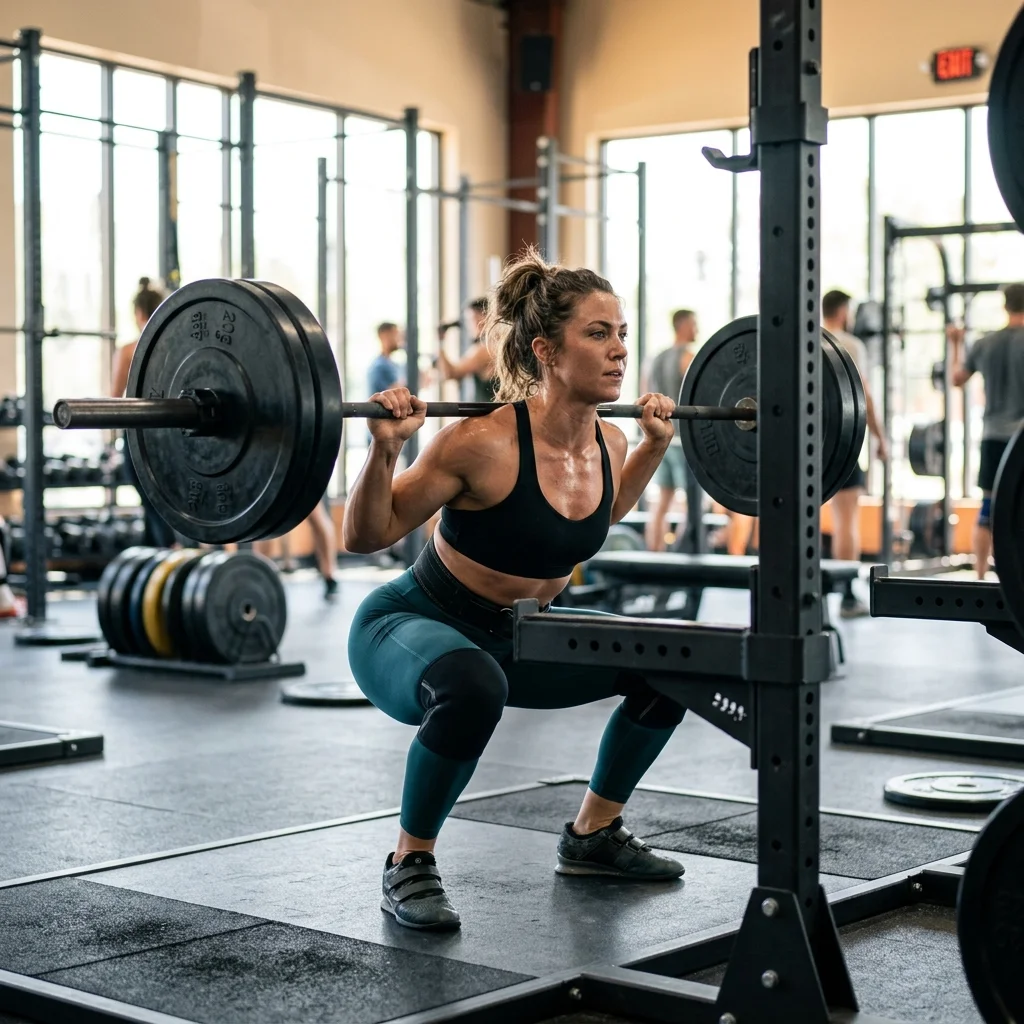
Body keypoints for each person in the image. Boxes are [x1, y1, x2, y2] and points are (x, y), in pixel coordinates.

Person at [344, 250, 685, 932]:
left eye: (622, 332)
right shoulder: (480, 444)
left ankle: (593, 835)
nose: (620, 349)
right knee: (472, 687)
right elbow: (367, 533)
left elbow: (601, 512)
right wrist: (384, 450)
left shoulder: (611, 443)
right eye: (598, 333)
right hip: (413, 626)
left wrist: (651, 447)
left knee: (673, 663)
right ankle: (408, 861)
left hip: (520, 634)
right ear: (546, 350)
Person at [949, 283, 1024, 579]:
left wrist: (955, 343)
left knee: (989, 510)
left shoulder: (984, 344)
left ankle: (981, 577)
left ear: (1005, 306)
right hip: (1020, 441)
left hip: (993, 437)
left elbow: (956, 379)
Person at [821, 289, 888, 617]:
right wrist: (880, 437)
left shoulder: (804, 340)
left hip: (806, 443)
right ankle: (847, 596)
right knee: (845, 520)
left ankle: (811, 595)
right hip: (841, 442)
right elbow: (865, 395)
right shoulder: (850, 344)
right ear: (844, 311)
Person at [111, 278, 179, 550]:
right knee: (157, 502)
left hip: (140, 438)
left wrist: (109, 445)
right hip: (171, 437)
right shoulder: (175, 347)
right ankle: (157, 568)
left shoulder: (130, 350)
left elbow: (114, 401)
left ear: (138, 314)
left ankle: (172, 556)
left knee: (153, 503)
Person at [642, 310, 698, 550]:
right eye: (694, 324)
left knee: (662, 503)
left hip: (660, 436)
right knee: (691, 507)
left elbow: (644, 392)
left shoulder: (656, 358)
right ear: (683, 326)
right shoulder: (687, 357)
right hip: (681, 440)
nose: (697, 329)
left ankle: (655, 560)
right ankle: (679, 559)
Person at [436, 298, 498, 403]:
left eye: (471, 319)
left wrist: (440, 342)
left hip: (489, 415)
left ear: (484, 318)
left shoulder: (483, 349)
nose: (469, 325)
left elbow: (450, 374)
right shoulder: (495, 344)